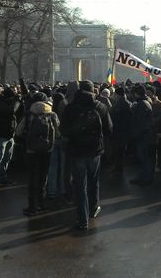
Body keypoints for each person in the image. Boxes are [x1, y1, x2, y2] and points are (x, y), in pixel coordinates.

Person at [62, 81, 113, 230]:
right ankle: (93, 208)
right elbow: (109, 129)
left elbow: (64, 130)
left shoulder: (70, 108)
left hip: (77, 151)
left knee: (80, 185)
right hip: (95, 151)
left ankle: (82, 220)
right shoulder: (101, 107)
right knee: (94, 180)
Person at [17, 92, 60, 215]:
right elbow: (57, 133)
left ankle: (32, 206)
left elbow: (18, 132)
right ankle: (41, 204)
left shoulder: (29, 115)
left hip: (31, 150)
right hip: (47, 149)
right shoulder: (52, 114)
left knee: (32, 177)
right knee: (43, 177)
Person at [129, 85, 154, 185]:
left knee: (143, 157)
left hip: (142, 135)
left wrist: (136, 133)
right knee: (143, 157)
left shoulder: (142, 104)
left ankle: (146, 177)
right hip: (144, 134)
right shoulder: (146, 102)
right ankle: (143, 176)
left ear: (136, 93)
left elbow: (140, 122)